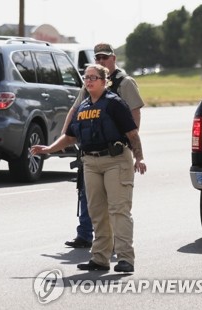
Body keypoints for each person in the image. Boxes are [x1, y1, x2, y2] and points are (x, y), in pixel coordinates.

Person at [31, 64, 146, 272]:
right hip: (90, 163)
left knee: (118, 210)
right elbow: (70, 135)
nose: (89, 81)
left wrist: (139, 158)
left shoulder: (114, 104)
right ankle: (100, 258)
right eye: (86, 77)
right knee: (97, 212)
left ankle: (125, 259)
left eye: (93, 77)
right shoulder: (83, 106)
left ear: (104, 81)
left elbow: (132, 133)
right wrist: (49, 148)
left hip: (116, 161)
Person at [63, 43, 145, 249]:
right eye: (97, 58)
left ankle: (119, 244)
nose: (101, 61)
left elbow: (134, 114)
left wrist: (131, 145)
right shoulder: (90, 83)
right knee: (87, 193)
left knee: (116, 202)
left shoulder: (125, 83)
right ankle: (84, 235)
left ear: (113, 59)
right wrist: (66, 136)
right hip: (90, 147)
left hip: (115, 150)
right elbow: (74, 111)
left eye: (104, 58)